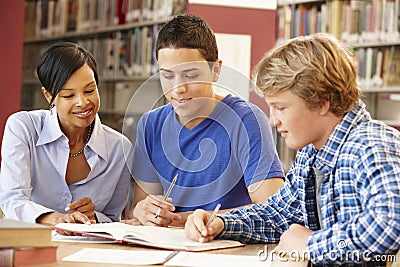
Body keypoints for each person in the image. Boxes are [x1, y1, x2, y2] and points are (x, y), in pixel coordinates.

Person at [184, 33, 400, 266]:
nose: (272, 120)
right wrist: (223, 223)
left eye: (280, 107)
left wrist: (312, 245)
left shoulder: (372, 145)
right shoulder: (311, 152)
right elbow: (280, 215)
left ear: (322, 102)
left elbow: (389, 224)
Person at [125, 14, 284, 227]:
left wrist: (188, 219)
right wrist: (142, 211)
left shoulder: (247, 120)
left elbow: (272, 208)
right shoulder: (151, 125)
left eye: (190, 75)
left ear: (215, 70)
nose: (178, 89)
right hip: (169, 247)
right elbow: (142, 205)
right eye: (168, 76)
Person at [0, 42, 132, 227]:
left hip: (85, 251)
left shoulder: (120, 148)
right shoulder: (23, 128)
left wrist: (93, 217)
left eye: (90, 90)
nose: (83, 102)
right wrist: (57, 219)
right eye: (69, 96)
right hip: (31, 246)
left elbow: (112, 219)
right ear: (48, 96)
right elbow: (12, 199)